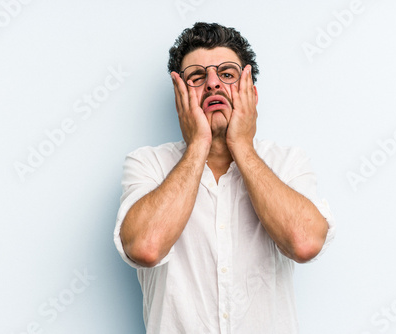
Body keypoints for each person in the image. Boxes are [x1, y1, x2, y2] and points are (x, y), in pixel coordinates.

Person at [114, 22, 335, 334]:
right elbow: (146, 248)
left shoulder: (287, 162)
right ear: (180, 96)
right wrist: (198, 145)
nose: (213, 84)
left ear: (251, 94)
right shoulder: (147, 164)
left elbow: (305, 243)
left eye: (227, 74)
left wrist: (241, 145)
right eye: (197, 77)